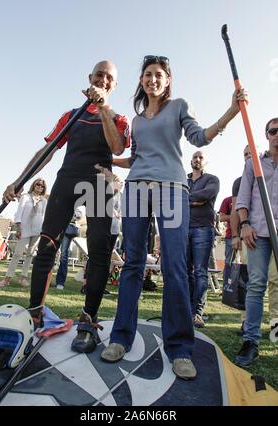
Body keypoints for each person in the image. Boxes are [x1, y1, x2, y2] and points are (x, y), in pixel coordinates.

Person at [101, 55, 246, 380]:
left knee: (175, 267)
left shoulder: (179, 105)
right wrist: (110, 160)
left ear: (167, 80)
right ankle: (120, 338)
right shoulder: (137, 121)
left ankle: (179, 348)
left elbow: (200, 137)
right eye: (148, 74)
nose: (153, 79)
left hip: (171, 188)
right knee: (133, 263)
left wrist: (231, 112)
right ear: (142, 81)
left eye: (159, 74)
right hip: (137, 188)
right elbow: (136, 157)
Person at [2, 60, 130, 354]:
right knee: (47, 245)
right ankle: (34, 314)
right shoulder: (71, 116)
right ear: (89, 78)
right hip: (68, 177)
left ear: (114, 85)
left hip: (99, 181)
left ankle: (88, 321)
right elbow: (47, 151)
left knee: (99, 249)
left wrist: (104, 108)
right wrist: (20, 181)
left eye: (109, 77)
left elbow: (117, 148)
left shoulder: (119, 118)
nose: (104, 80)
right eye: (99, 75)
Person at [234, 117, 278, 367]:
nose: (277, 134)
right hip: (258, 233)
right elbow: (243, 198)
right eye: (273, 130)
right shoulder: (253, 165)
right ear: (266, 135)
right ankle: (251, 341)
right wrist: (244, 224)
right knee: (256, 284)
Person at [187, 151, 220, 327]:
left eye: (200, 157)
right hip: (183, 229)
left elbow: (206, 195)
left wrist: (188, 198)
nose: (197, 159)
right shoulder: (182, 180)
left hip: (203, 229)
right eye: (195, 157)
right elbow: (174, 199)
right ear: (190, 160)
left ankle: (197, 313)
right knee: (185, 271)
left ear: (205, 161)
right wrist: (195, 200)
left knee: (200, 271)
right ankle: (187, 310)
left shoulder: (212, 179)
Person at [0, 178, 47, 287]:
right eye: (38, 184)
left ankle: (23, 278)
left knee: (30, 254)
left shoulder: (44, 200)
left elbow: (43, 216)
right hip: (24, 228)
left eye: (42, 186)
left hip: (37, 230)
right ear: (34, 185)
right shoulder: (25, 197)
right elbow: (18, 214)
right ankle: (7, 279)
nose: (39, 187)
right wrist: (19, 228)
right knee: (17, 254)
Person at [55, 207, 83, 290]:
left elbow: (79, 215)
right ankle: (45, 279)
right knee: (50, 253)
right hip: (55, 227)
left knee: (64, 255)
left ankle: (60, 282)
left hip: (67, 229)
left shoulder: (75, 204)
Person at [219, 195, 233, 264]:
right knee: (229, 262)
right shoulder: (228, 200)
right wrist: (237, 216)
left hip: (249, 235)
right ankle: (227, 275)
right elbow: (221, 218)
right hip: (231, 236)